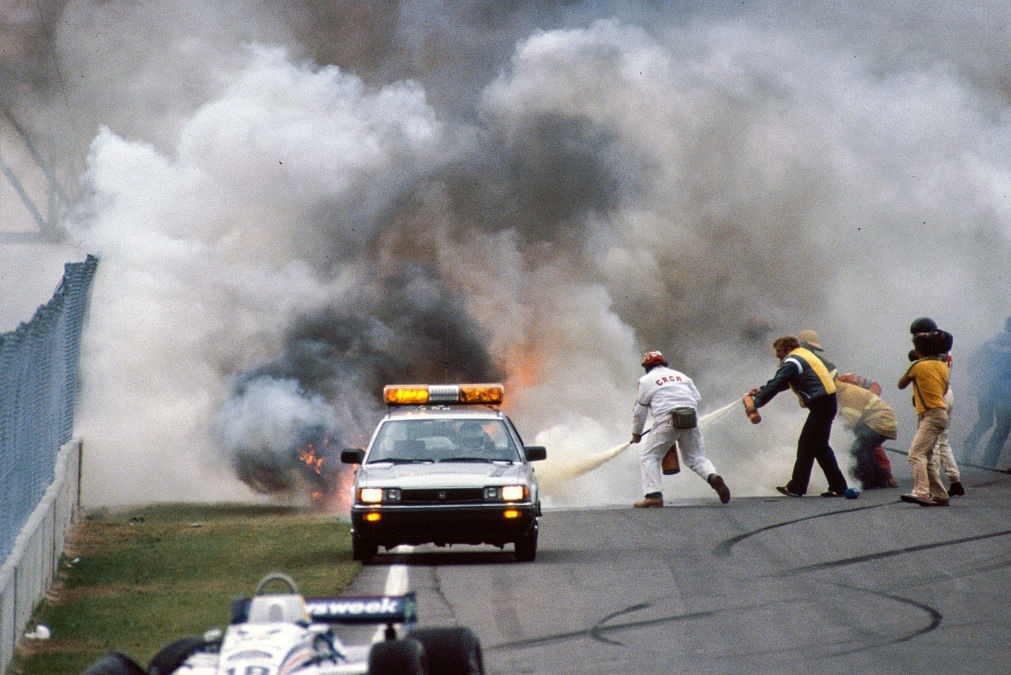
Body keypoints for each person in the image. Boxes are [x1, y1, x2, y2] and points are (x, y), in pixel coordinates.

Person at [745, 336, 849, 497]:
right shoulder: (803, 355)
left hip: (821, 405)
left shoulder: (793, 361)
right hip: (826, 403)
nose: (777, 354)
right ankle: (838, 486)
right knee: (820, 448)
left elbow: (778, 382)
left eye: (778, 350)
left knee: (806, 445)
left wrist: (755, 404)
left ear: (787, 348)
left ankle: (797, 487)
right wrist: (761, 389)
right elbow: (784, 383)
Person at [630, 350, 730, 507]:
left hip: (667, 420)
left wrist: (636, 433)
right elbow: (696, 398)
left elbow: (639, 411)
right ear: (664, 363)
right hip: (691, 417)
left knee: (650, 456)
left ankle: (653, 495)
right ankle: (712, 477)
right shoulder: (682, 377)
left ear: (647, 367)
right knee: (696, 457)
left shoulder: (645, 380)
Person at [909, 318, 964, 496]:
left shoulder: (933, 349)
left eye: (918, 335)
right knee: (942, 440)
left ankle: (932, 485)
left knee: (931, 444)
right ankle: (954, 480)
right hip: (946, 392)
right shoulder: (943, 345)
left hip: (936, 396)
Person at [897, 342, 951, 507]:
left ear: (919, 351)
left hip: (930, 414)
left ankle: (921, 492)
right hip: (939, 413)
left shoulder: (917, 365)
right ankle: (940, 495)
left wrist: (913, 366)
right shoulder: (943, 366)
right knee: (925, 456)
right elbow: (945, 389)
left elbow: (901, 384)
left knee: (915, 454)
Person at [964, 316, 1011, 469]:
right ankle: (988, 462)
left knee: (985, 421)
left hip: (984, 389)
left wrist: (979, 381)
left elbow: (971, 362)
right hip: (1004, 394)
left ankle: (967, 452)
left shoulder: (990, 342)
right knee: (1003, 426)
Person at [834, 378, 898, 489]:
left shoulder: (848, 385)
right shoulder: (841, 390)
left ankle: (864, 480)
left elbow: (849, 421)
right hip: (877, 421)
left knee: (858, 447)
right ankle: (881, 479)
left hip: (879, 422)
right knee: (867, 448)